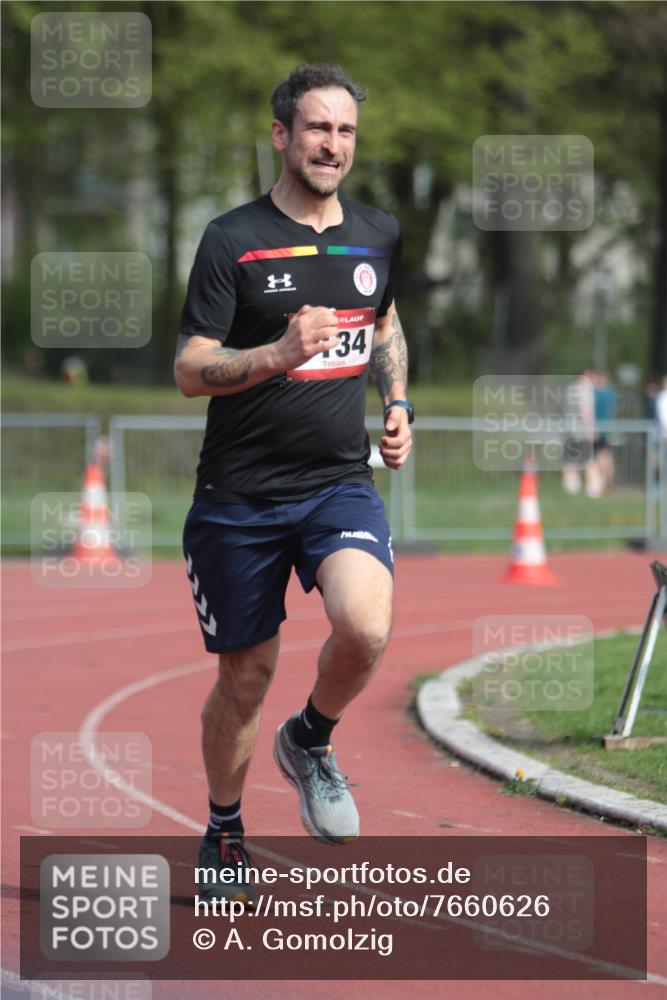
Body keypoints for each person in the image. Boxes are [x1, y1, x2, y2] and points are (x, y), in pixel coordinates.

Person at [174, 64, 412, 905]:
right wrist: (276, 354)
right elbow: (190, 367)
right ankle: (224, 830)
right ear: (281, 134)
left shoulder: (377, 234)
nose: (332, 145)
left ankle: (310, 738)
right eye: (317, 129)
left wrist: (397, 403)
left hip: (334, 483)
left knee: (366, 625)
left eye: (344, 131)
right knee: (245, 675)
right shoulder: (230, 239)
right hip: (237, 498)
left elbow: (384, 325)